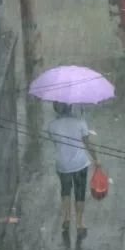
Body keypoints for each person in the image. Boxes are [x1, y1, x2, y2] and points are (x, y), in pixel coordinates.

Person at [47, 102, 100, 241]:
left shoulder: (52, 126)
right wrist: (96, 160)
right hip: (80, 164)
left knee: (65, 190)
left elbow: (55, 142)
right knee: (79, 192)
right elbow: (87, 143)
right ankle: (79, 223)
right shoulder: (80, 122)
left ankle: (66, 217)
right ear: (71, 107)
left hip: (62, 164)